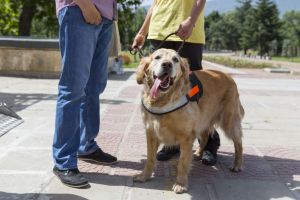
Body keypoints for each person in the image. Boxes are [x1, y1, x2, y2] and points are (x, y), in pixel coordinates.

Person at [132, 0, 220, 166]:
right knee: (164, 94)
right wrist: (143, 32)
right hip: (159, 31)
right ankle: (172, 144)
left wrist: (191, 20)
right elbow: (155, 4)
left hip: (188, 31)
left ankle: (209, 143)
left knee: (195, 94)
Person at [53, 0, 117, 188]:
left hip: (106, 15)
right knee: (72, 88)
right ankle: (63, 161)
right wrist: (84, 4)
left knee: (93, 87)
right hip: (80, 9)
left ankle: (85, 145)